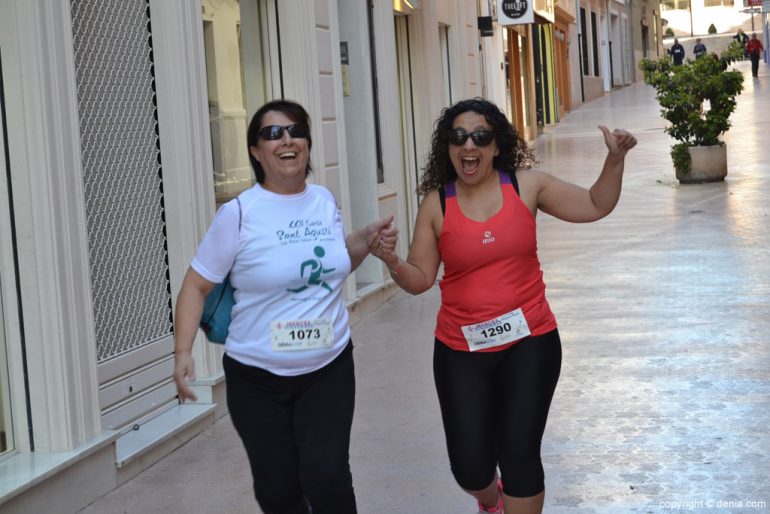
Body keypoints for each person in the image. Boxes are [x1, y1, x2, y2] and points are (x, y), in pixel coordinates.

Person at [372, 98, 636, 514]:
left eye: (480, 136)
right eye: (458, 137)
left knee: (520, 456)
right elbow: (421, 279)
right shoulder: (437, 204)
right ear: (448, 148)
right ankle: (491, 500)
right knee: (470, 468)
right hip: (461, 350)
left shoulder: (527, 186)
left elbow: (594, 204)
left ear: (497, 146)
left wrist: (615, 160)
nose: (469, 146)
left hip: (531, 341)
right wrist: (392, 262)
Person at [173, 99, 396, 514]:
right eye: (272, 133)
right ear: (256, 151)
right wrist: (183, 353)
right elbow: (195, 284)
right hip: (256, 379)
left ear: (308, 144)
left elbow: (329, 266)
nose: (287, 140)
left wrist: (365, 240)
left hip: (327, 368)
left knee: (326, 476)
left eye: (296, 130)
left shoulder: (324, 201)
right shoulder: (238, 214)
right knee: (278, 491)